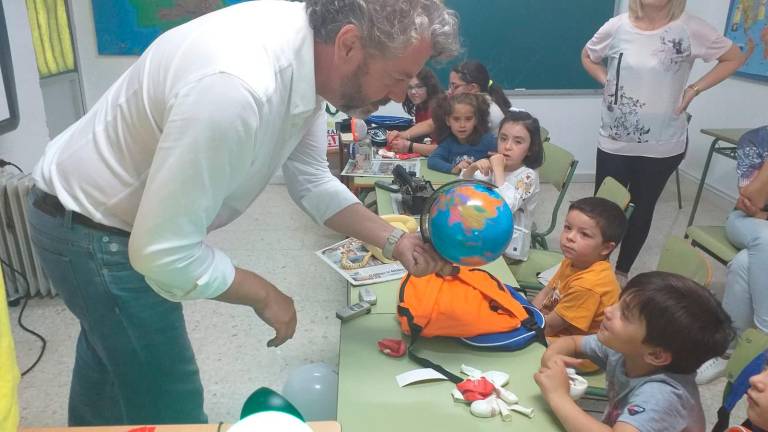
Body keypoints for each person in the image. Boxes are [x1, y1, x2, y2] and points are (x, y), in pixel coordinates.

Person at [26, 0, 459, 425]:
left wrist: (394, 239)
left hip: (93, 214)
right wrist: (264, 294)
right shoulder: (237, 85)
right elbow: (163, 254)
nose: (401, 95)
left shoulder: (311, 53)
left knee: (109, 365)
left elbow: (310, 178)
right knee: (172, 404)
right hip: (92, 228)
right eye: (398, 77)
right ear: (348, 44)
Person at [582, 0, 747, 284]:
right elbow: (588, 55)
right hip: (615, 139)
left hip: (662, 143)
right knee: (605, 209)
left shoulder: (689, 27)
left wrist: (695, 89)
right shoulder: (618, 25)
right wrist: (605, 79)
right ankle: (593, 272)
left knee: (642, 208)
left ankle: (621, 275)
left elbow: (734, 57)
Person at [535, 272, 734, 432]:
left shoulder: (664, 394)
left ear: (656, 355)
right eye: (618, 302)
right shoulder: (627, 349)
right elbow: (572, 343)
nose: (609, 311)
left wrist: (558, 395)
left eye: (625, 315)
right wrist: (552, 359)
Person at [696, 126, 768, 385]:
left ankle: (728, 350)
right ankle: (764, 335)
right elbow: (751, 200)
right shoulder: (756, 139)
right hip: (744, 222)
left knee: (744, 262)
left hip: (761, 225)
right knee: (765, 238)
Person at [532, 197, 625, 339]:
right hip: (551, 327)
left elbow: (549, 328)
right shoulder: (575, 260)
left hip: (572, 353)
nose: (570, 237)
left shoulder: (589, 286)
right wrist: (530, 314)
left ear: (606, 248)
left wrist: (524, 327)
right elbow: (546, 293)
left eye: (584, 234)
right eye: (568, 227)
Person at [460, 110, 544, 261]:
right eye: (503, 139)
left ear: (531, 148)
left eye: (518, 142)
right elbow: (462, 185)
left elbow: (505, 206)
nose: (507, 147)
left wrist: (498, 169)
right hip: (486, 237)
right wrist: (472, 168)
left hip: (509, 250)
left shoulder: (528, 177)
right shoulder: (495, 164)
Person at [389, 60, 510, 146]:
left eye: (454, 87)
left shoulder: (483, 109)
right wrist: (404, 135)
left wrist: (408, 143)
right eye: (450, 86)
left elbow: (436, 128)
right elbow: (433, 123)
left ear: (473, 88)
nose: (450, 92)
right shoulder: (471, 104)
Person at [426, 92, 496, 174]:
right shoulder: (449, 142)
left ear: (476, 120)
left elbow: (504, 159)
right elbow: (432, 160)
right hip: (459, 185)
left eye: (468, 119)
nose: (462, 125)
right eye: (456, 119)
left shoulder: (488, 141)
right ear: (448, 121)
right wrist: (454, 168)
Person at [389, 67, 442, 156]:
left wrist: (409, 145)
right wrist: (400, 136)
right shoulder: (420, 107)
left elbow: (441, 150)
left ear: (429, 87)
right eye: (409, 88)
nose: (413, 92)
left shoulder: (438, 107)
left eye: (419, 86)